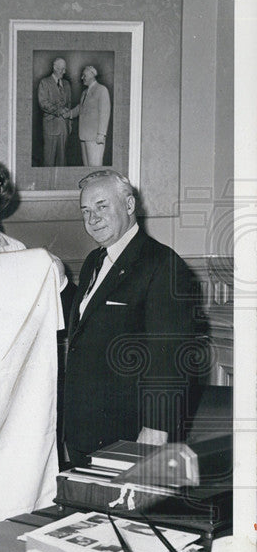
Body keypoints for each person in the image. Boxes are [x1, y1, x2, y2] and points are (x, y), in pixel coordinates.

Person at [63, 169, 203, 467]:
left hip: (134, 433)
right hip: (84, 431)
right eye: (86, 210)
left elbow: (171, 355)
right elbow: (89, 328)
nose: (93, 218)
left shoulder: (162, 265)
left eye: (102, 206)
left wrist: (157, 427)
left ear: (129, 206)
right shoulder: (93, 261)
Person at [66, 66, 111, 167]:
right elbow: (80, 108)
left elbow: (105, 112)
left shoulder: (102, 90)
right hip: (83, 136)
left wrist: (101, 134)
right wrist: (68, 114)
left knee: (95, 168)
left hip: (95, 137)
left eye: (84, 75)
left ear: (91, 75)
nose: (82, 78)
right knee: (86, 167)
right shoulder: (84, 92)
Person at [37, 57, 72, 166]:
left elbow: (69, 104)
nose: (64, 72)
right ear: (55, 68)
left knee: (63, 160)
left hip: (64, 127)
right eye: (62, 69)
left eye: (65, 69)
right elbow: (43, 103)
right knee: (49, 159)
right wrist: (59, 111)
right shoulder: (44, 82)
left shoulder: (66, 84)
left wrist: (70, 124)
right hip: (50, 126)